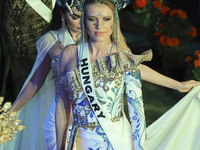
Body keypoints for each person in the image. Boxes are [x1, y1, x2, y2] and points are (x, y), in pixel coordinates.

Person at [55, 0, 200, 150]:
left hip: (115, 140)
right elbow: (61, 105)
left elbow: (137, 110)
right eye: (92, 19)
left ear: (114, 22)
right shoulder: (69, 53)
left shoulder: (122, 56)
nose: (100, 26)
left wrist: (178, 85)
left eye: (106, 19)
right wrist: (60, 146)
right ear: (84, 20)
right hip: (79, 140)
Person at [0, 1, 81, 150]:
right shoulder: (51, 39)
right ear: (62, 15)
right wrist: (10, 114)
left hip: (90, 110)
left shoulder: (98, 38)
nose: (81, 22)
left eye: (85, 16)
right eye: (75, 16)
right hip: (59, 107)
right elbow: (36, 81)